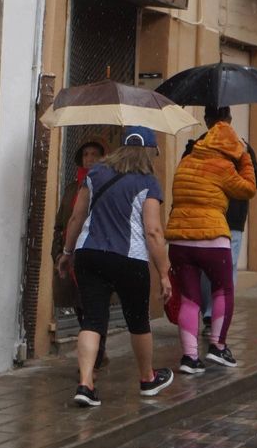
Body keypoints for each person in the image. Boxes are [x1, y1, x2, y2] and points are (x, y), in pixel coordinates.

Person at [56, 127, 174, 408]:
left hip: (89, 254)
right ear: (149, 151)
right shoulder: (148, 182)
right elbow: (154, 232)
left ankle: (85, 384)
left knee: (93, 320)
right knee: (138, 320)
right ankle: (147, 378)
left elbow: (76, 217)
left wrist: (66, 252)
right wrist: (164, 273)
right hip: (128, 259)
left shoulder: (96, 174)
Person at [166, 106, 257, 374]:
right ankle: (218, 347)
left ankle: (190, 357)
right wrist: (245, 158)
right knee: (223, 290)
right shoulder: (224, 166)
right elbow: (248, 188)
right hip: (212, 237)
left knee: (190, 298)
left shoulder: (187, 159)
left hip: (180, 241)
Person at [181, 107, 257, 331]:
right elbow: (255, 181)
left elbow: (184, 177)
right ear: (229, 119)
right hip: (226, 219)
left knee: (208, 269)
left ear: (206, 121)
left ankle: (209, 315)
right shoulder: (241, 147)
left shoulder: (196, 147)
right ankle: (215, 317)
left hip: (207, 218)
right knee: (227, 269)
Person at [50, 140, 108, 368]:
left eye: (95, 154)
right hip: (71, 255)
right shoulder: (72, 188)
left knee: (93, 308)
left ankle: (95, 357)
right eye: (86, 154)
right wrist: (58, 251)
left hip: (94, 254)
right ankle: (95, 354)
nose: (90, 158)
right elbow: (62, 221)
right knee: (79, 306)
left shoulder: (105, 185)